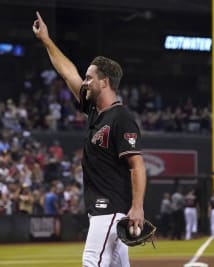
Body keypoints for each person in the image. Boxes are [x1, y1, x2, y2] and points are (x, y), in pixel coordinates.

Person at [33, 12, 147, 266]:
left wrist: (137, 207)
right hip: (105, 210)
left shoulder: (121, 118)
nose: (84, 83)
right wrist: (47, 41)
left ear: (104, 83)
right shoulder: (96, 112)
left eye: (89, 78)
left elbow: (137, 165)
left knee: (91, 260)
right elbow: (68, 74)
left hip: (111, 209)